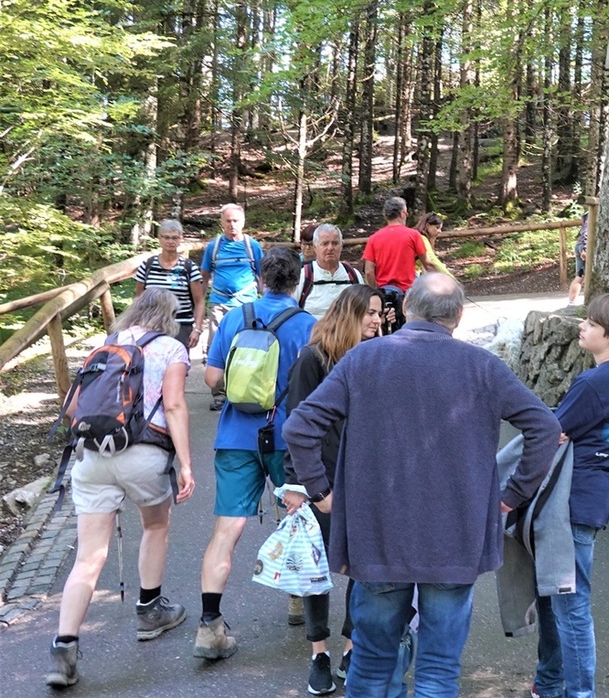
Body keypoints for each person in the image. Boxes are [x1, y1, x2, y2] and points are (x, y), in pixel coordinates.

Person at [284, 272, 560, 697]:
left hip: (377, 537)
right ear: (459, 316)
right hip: (456, 538)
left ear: (407, 307)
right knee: (438, 670)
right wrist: (510, 498)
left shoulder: (364, 360)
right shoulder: (482, 366)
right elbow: (544, 426)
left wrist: (320, 493)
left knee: (373, 663)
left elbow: (300, 427)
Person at [45, 288, 196, 688]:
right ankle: (149, 610)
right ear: (170, 317)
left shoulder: (106, 345)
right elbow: (176, 405)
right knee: (155, 525)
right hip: (143, 454)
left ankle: (64, 648)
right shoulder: (171, 348)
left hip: (93, 456)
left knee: (89, 557)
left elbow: (75, 408)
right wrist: (185, 463)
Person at [194, 247, 316, 661]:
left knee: (225, 531)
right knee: (297, 518)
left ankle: (210, 625)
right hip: (287, 438)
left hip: (235, 436)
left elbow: (211, 376)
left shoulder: (234, 318)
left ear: (260, 279)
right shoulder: (307, 325)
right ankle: (299, 602)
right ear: (298, 281)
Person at [533, 293, 609, 698]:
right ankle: (548, 684)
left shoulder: (594, 382)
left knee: (570, 604)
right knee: (555, 596)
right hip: (598, 495)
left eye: (592, 324)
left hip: (573, 499)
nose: (582, 326)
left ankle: (578, 693)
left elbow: (553, 430)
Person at [281, 284, 382, 695]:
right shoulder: (313, 358)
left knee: (362, 568)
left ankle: (351, 645)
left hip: (363, 481)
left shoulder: (375, 358)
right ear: (349, 315)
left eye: (380, 314)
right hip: (318, 483)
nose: (378, 320)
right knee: (316, 571)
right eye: (370, 313)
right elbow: (294, 425)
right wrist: (296, 487)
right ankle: (319, 652)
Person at [200, 204, 264, 408]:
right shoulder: (214, 246)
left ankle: (244, 390)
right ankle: (219, 394)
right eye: (228, 221)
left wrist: (266, 302)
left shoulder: (252, 246)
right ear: (221, 222)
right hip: (219, 304)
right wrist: (200, 307)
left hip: (247, 305)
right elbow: (204, 276)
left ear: (243, 222)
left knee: (248, 347)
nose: (232, 225)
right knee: (217, 347)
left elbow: (262, 276)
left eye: (236, 220)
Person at [134, 219, 206, 350]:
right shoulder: (147, 266)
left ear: (180, 239)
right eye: (166, 237)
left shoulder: (189, 267)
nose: (170, 241)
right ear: (159, 238)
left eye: (174, 238)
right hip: (151, 326)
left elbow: (199, 301)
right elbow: (138, 299)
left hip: (181, 326)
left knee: (178, 366)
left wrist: (198, 329)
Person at [362, 197, 427, 332]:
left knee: (382, 328)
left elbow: (369, 271)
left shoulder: (374, 238)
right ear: (403, 213)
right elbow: (427, 263)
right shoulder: (413, 235)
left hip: (384, 291)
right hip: (407, 293)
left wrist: (376, 290)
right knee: (409, 329)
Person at [295, 224, 365, 318]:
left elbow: (364, 310)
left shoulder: (353, 275)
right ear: (315, 247)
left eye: (335, 243)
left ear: (341, 246)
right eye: (325, 243)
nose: (330, 248)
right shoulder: (303, 276)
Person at [413, 211, 451, 276]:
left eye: (440, 228)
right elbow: (432, 260)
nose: (440, 231)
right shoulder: (422, 238)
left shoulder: (419, 236)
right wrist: (450, 278)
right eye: (437, 227)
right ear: (427, 225)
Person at [567, 215, 588, 305]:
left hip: (580, 245)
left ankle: (571, 302)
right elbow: (587, 230)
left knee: (580, 276)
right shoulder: (594, 211)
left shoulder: (587, 214)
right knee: (586, 276)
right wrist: (585, 248)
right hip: (584, 246)